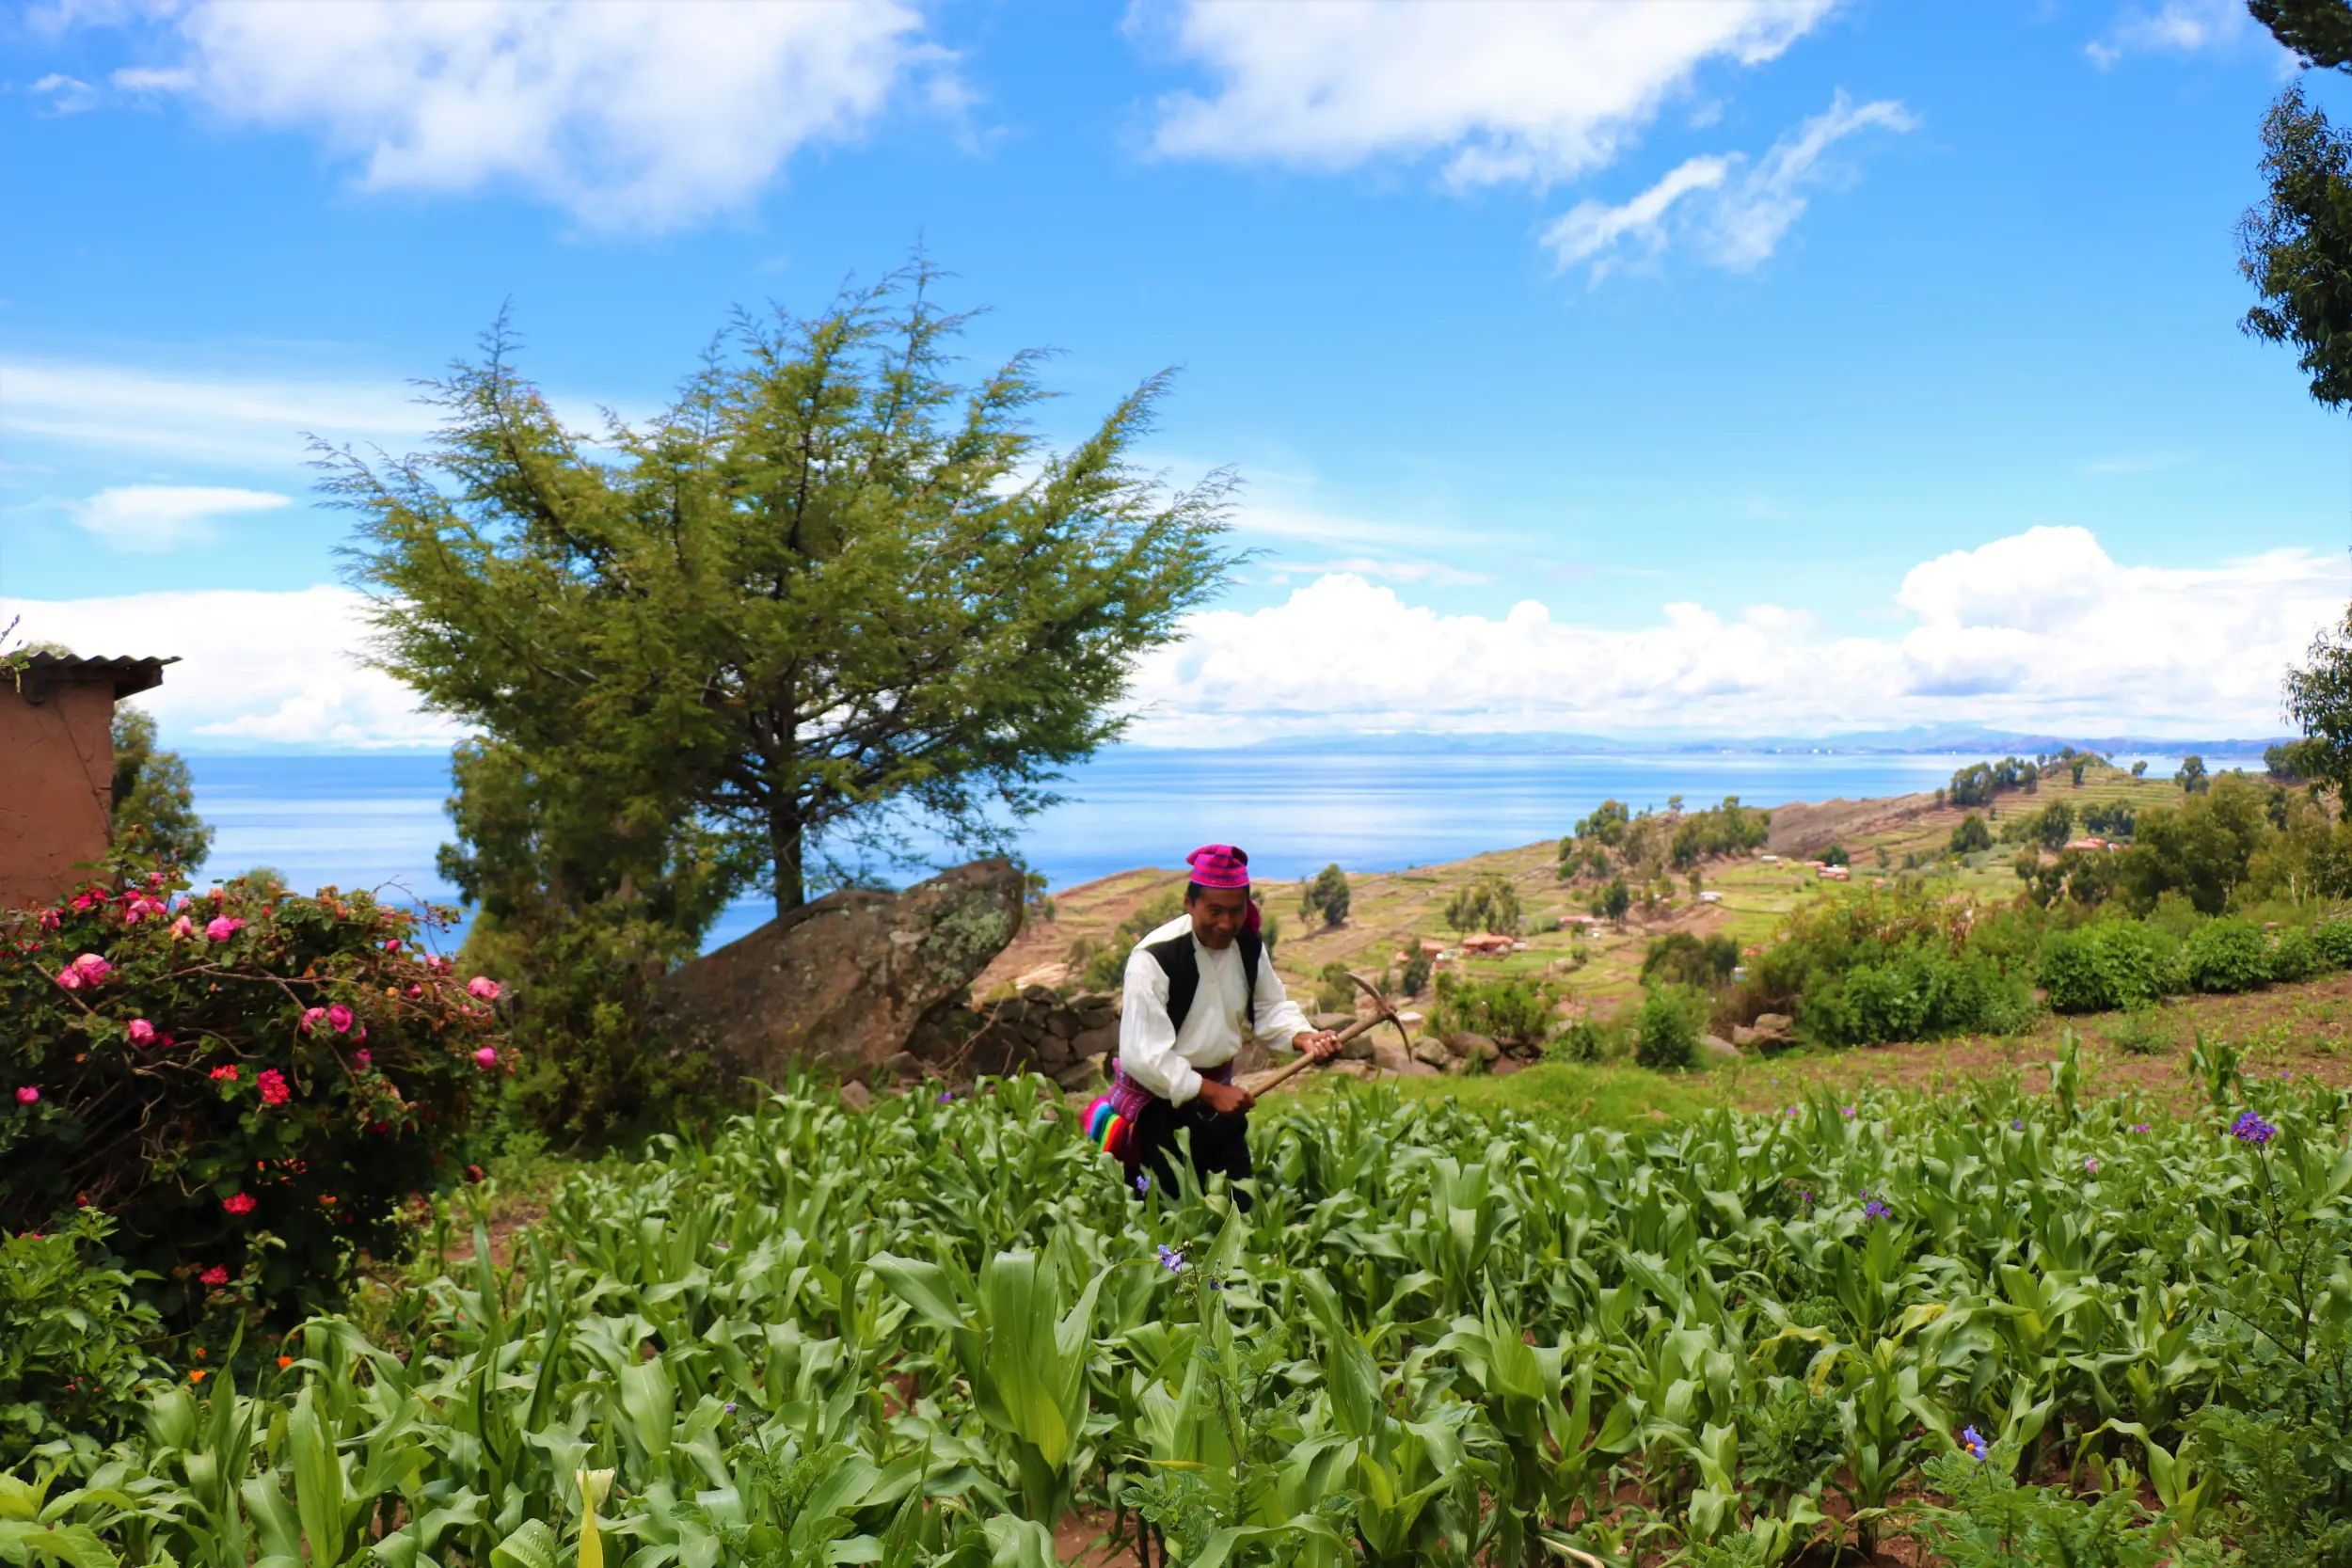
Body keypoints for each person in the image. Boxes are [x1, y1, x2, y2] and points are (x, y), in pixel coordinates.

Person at [1084, 844, 1342, 1207]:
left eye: (1236, 912)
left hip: (1221, 1104)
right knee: (1166, 1219)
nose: (1225, 924)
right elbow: (1141, 1054)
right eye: (1214, 911)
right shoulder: (1153, 958)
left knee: (1240, 1207)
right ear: (1189, 905)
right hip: (1158, 1109)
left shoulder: (1248, 946)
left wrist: (1304, 1038)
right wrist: (1207, 1091)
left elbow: (1269, 1007)